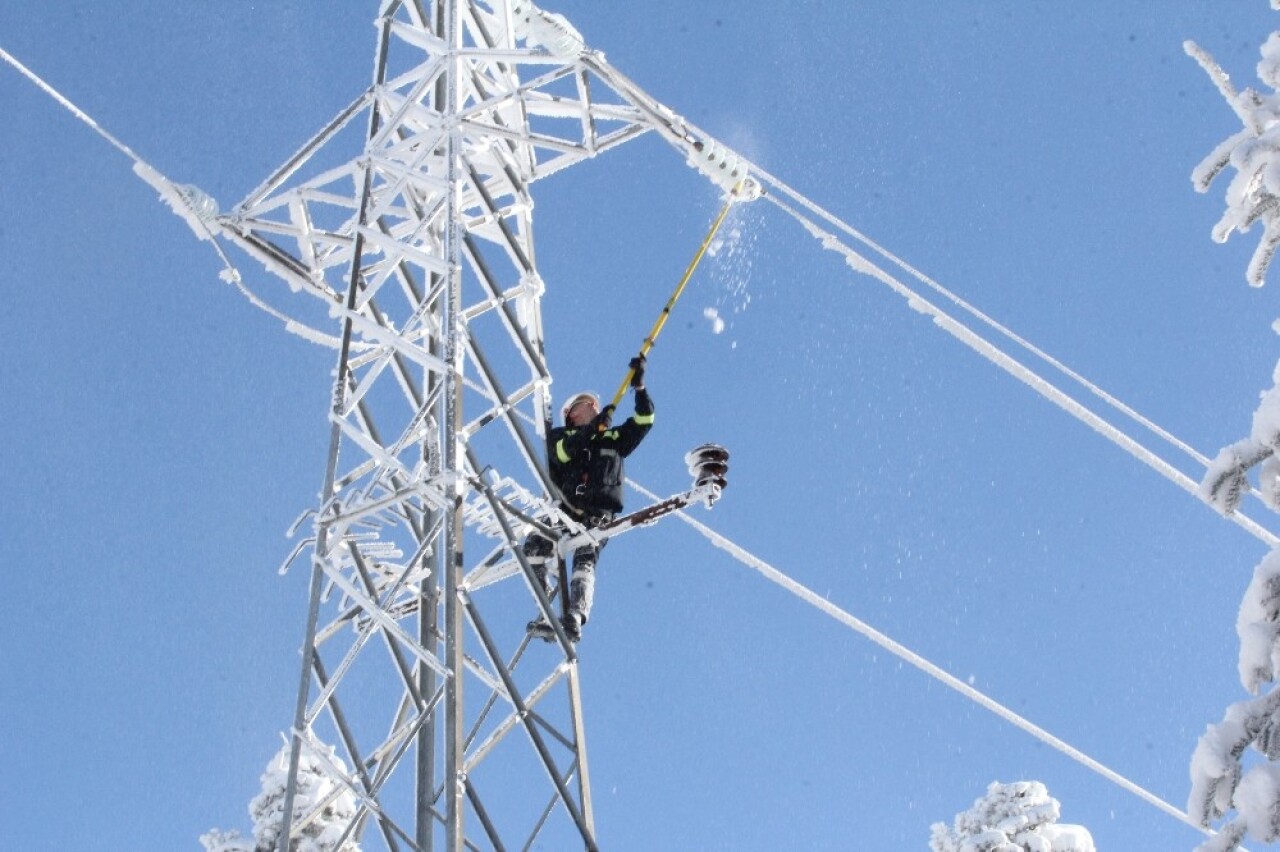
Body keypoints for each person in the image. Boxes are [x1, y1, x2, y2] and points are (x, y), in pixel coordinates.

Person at [525, 355, 654, 642]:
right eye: (587, 404)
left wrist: (640, 388)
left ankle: (574, 615)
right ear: (572, 413)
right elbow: (563, 452)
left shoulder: (612, 438)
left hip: (599, 510)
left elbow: (644, 421)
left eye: (596, 404)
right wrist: (591, 431)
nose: (594, 406)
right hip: (568, 507)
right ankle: (544, 603)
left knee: (585, 558)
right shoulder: (560, 436)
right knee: (535, 541)